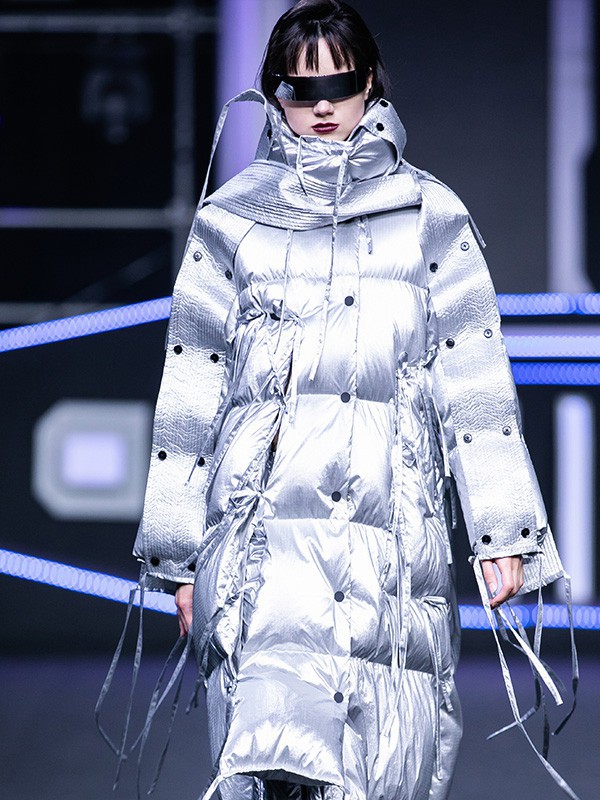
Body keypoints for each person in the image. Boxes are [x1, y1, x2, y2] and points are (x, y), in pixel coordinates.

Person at [102, 2, 579, 799]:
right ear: (274, 93)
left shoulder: (429, 215)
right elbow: (192, 388)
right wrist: (179, 556)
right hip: (262, 549)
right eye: (301, 87)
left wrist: (505, 534)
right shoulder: (232, 223)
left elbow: (475, 380)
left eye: (341, 83)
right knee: (272, 755)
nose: (323, 106)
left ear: (370, 86)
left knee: (383, 763)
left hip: (390, 539)